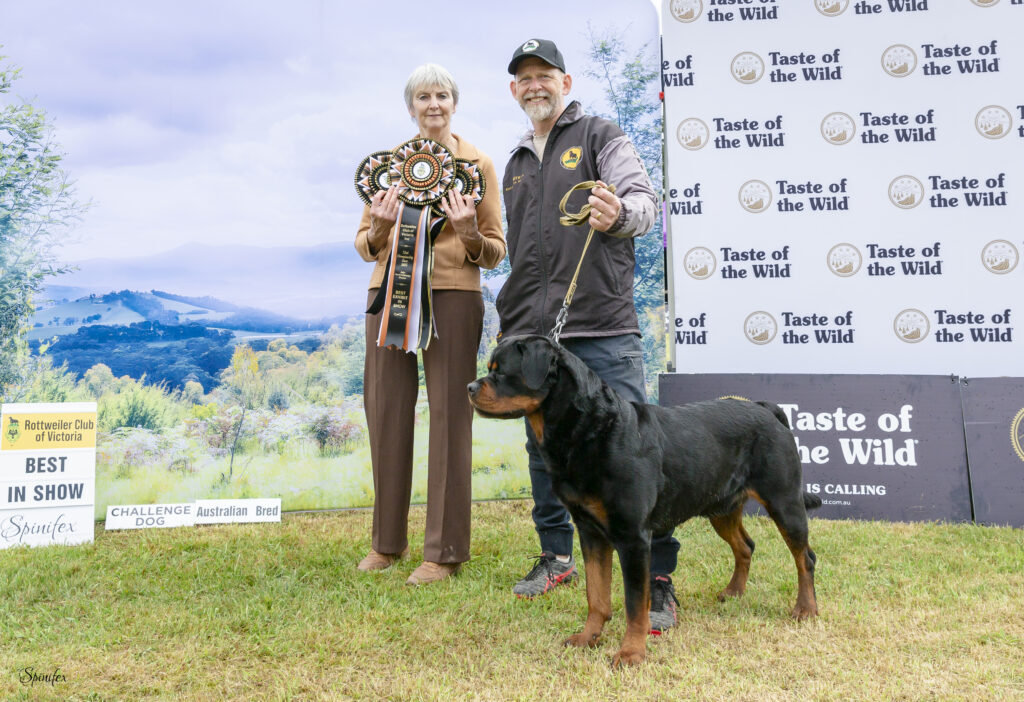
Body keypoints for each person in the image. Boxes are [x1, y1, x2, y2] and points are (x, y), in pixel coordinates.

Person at [497, 39, 680, 631]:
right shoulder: (515, 163)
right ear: (514, 90)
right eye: (525, 78)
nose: (535, 85)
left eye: (544, 75)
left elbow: (645, 204)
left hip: (602, 325)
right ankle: (556, 558)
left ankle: (657, 579)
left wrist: (618, 214)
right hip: (533, 335)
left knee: (637, 453)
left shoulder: (602, 136)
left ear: (566, 82)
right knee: (543, 451)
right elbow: (518, 251)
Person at [354, 63, 506, 585]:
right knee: (385, 412)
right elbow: (363, 245)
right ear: (411, 107)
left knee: (449, 417)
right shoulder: (388, 165)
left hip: (455, 296)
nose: (433, 104)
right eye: (423, 97)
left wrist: (468, 231)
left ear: (454, 104)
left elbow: (495, 250)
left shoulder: (479, 164)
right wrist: (379, 226)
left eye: (442, 95)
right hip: (388, 296)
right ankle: (385, 543)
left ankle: (444, 551)